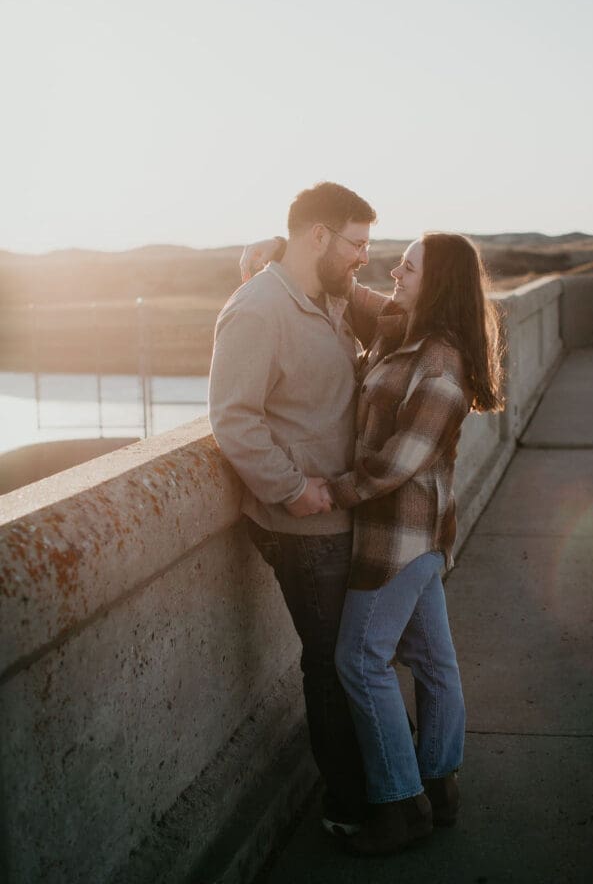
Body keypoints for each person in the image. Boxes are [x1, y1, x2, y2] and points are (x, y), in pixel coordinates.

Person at [316, 232, 504, 855]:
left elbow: (400, 461)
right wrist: (274, 260)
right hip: (419, 535)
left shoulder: (442, 363)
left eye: (409, 265)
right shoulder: (407, 326)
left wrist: (328, 492)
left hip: (399, 537)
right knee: (432, 661)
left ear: (438, 282)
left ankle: (400, 804)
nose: (395, 267)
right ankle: (439, 786)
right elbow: (362, 294)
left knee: (359, 660)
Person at [208, 181, 378, 836]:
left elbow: (398, 315)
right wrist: (291, 488)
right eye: (357, 243)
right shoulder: (255, 311)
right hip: (302, 524)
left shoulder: (328, 296)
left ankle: (378, 783)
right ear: (318, 236)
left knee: (352, 659)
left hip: (341, 516)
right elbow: (233, 419)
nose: (365, 256)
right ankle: (348, 808)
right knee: (331, 663)